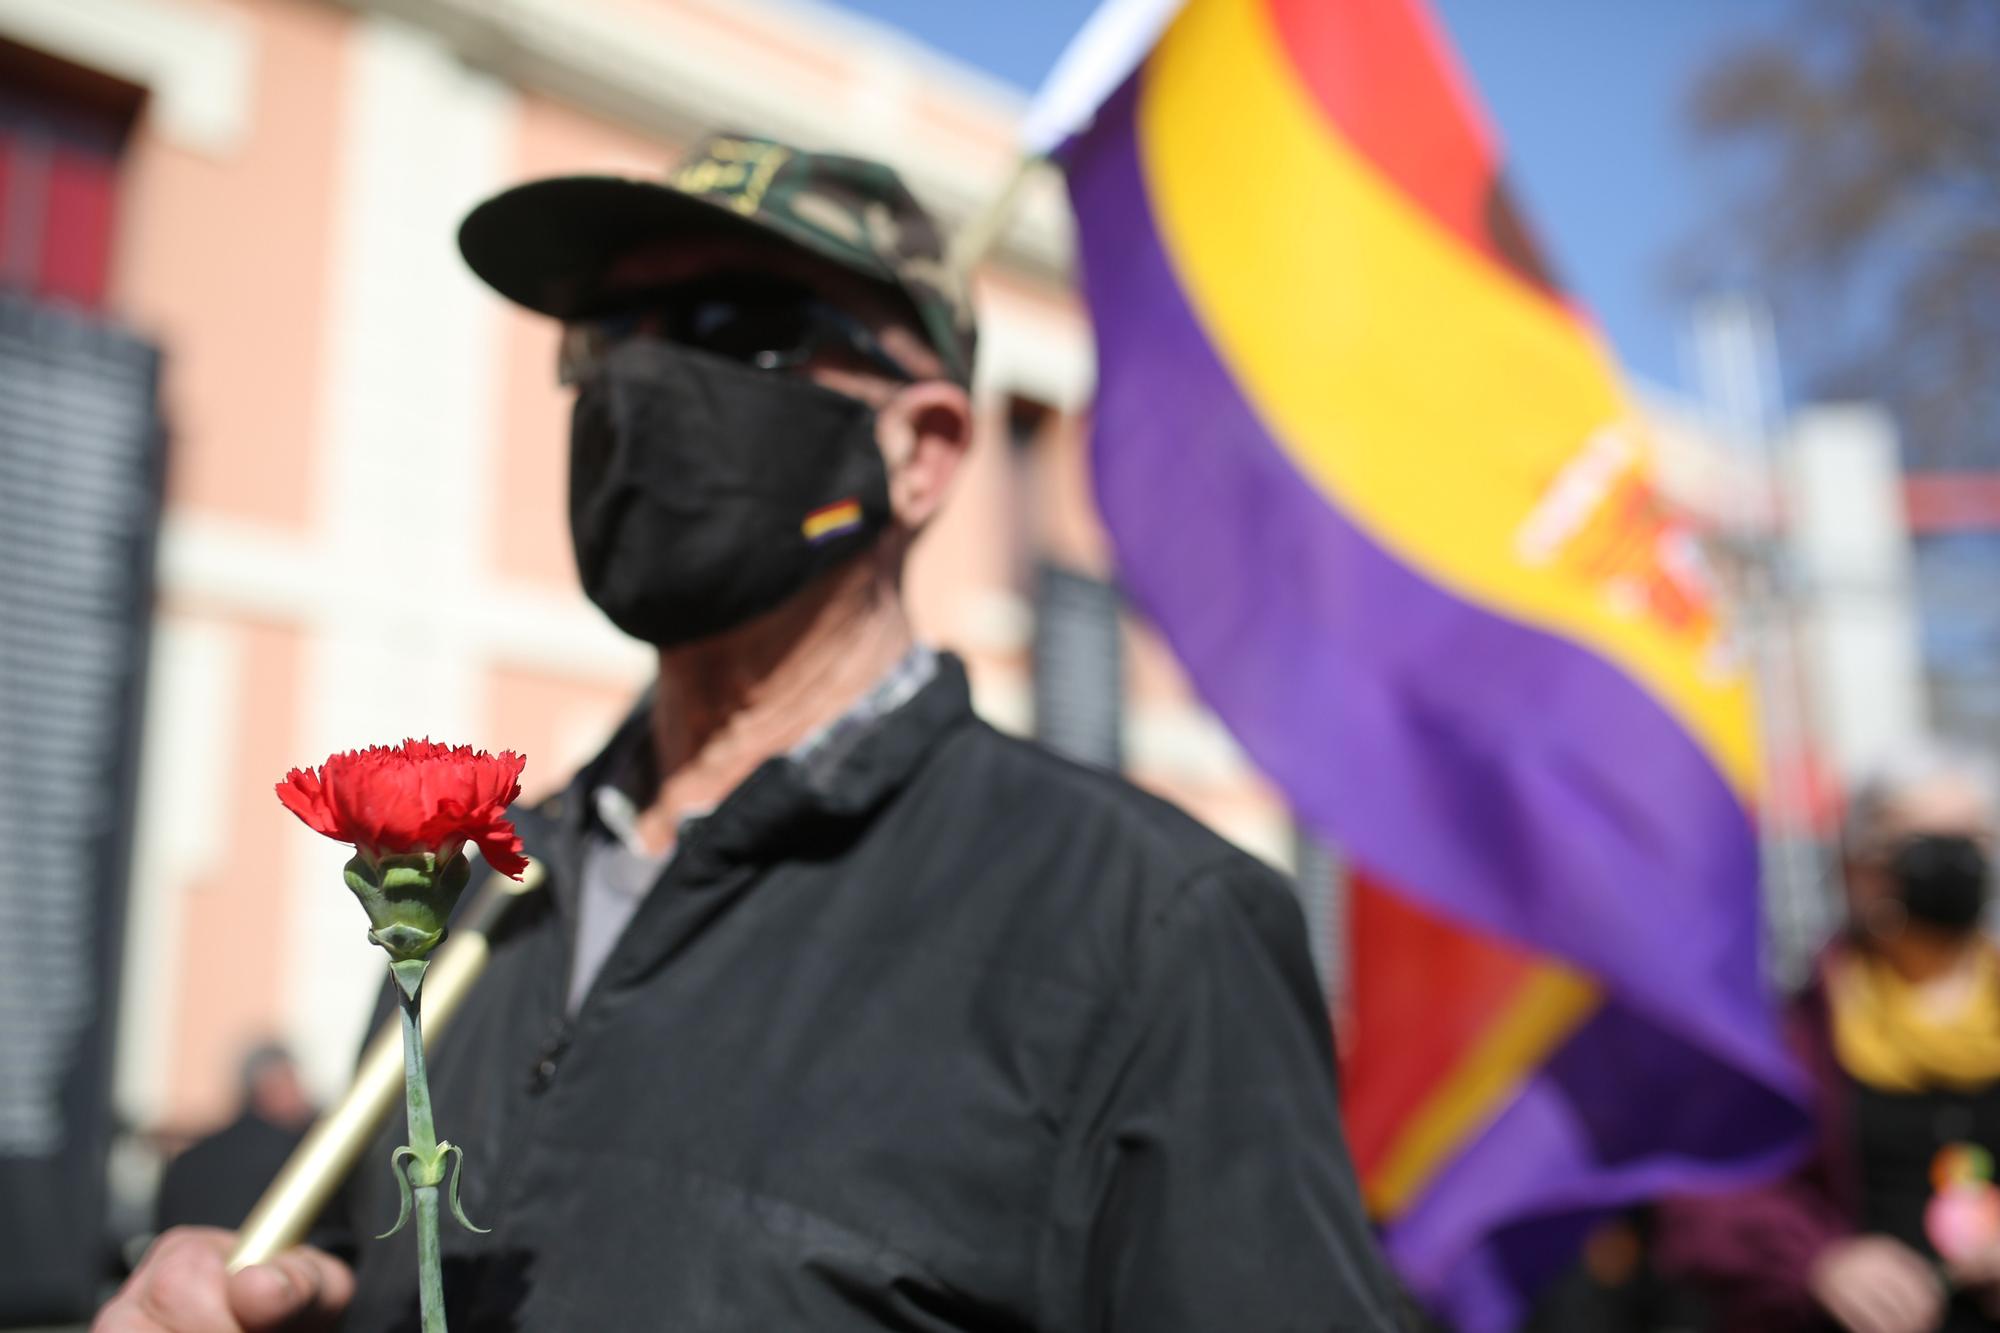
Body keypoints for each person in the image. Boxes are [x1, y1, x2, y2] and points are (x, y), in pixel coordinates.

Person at [98, 133, 1400, 1332]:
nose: (644, 381)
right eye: (607, 339)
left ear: (926, 450)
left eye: (739, 330)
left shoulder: (1150, 926)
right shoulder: (488, 891)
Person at [1658, 743, 2000, 1333]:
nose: (1950, 867)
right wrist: (1818, 1262)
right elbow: (1708, 1197)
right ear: (1859, 869)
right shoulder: (1793, 1030)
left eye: (1970, 845)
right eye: (1921, 848)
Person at [152, 1044, 316, 1234]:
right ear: (268, 1089)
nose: (302, 1096)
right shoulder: (296, 1157)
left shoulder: (190, 1160)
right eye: (293, 1084)